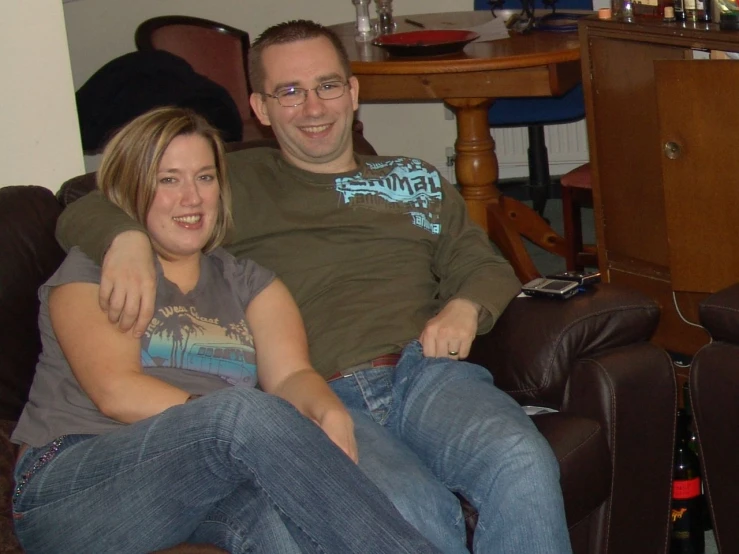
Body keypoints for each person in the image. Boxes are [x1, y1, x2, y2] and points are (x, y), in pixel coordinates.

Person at [56, 20, 573, 554]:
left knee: (520, 458)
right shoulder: (228, 182)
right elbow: (92, 201)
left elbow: (483, 263)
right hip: (318, 394)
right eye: (289, 92)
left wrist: (466, 307)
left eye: (327, 85)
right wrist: (125, 239)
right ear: (261, 108)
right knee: (412, 509)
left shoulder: (414, 179)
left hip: (428, 373)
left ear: (352, 93)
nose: (313, 107)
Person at [11, 106, 443, 554]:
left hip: (202, 485)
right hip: (72, 485)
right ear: (132, 189)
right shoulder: (96, 268)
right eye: (168, 179)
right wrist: (230, 427)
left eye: (204, 177)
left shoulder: (252, 283)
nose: (192, 198)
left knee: (280, 526)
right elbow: (116, 392)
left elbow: (292, 376)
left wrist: (327, 410)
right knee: (242, 414)